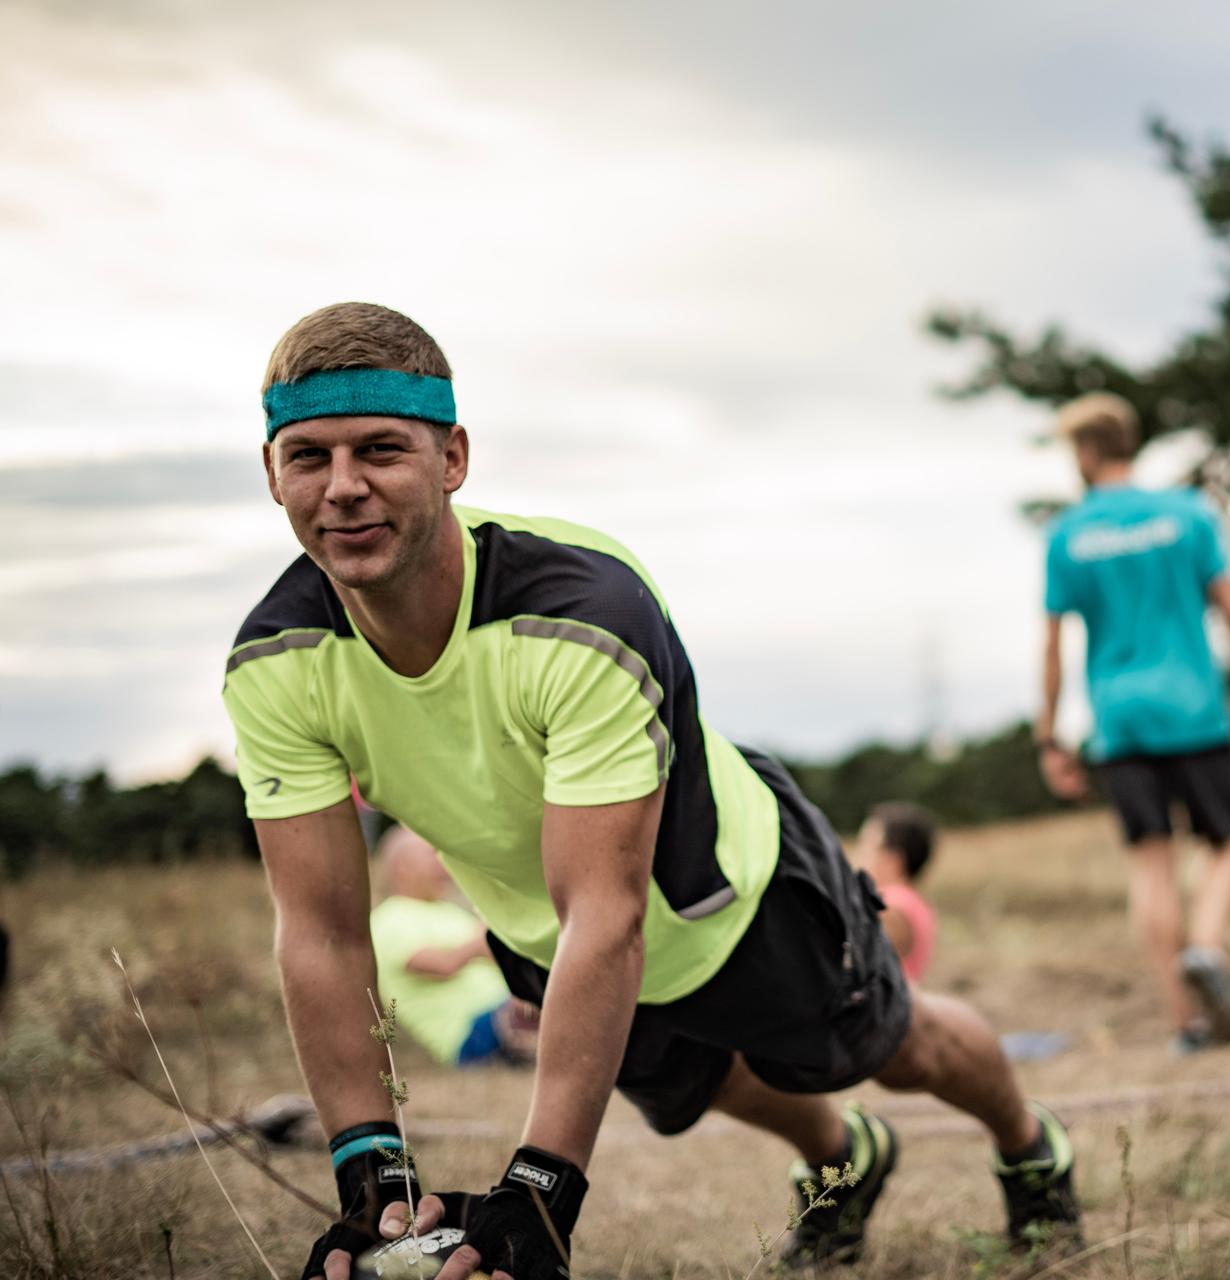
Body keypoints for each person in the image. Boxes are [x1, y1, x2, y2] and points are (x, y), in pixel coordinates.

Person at [223, 303, 1080, 1280]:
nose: (343, 487)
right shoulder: (274, 662)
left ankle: (1030, 1138)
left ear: (452, 457)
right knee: (702, 1084)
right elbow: (324, 929)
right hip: (553, 932)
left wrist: (540, 1191)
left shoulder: (580, 609)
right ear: (271, 472)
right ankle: (845, 1155)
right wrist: (368, 1170)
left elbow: (609, 908)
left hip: (734, 894)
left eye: (380, 449)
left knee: (896, 1048)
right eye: (307, 456)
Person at [1037, 392, 1230, 1055]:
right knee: (1224, 842)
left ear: (1086, 453)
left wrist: (1049, 736)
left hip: (1118, 719)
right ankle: (1205, 947)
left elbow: (1053, 643)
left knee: (1150, 866)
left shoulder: (1066, 534)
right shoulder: (1186, 515)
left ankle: (1185, 1023)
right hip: (1193, 707)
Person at [369, 825, 536, 1068]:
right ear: (402, 869)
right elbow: (438, 966)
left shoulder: (451, 911)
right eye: (432, 857)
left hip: (506, 1007)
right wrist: (481, 943)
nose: (443, 866)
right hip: (470, 1033)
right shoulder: (389, 918)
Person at [853, 802, 940, 983]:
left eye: (865, 845)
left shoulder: (889, 906)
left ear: (893, 860)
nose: (856, 854)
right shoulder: (915, 903)